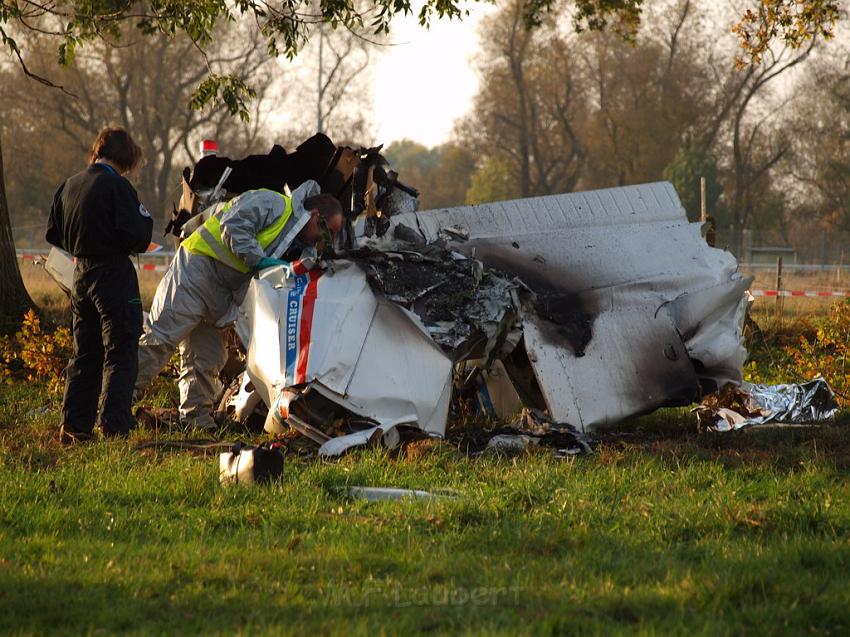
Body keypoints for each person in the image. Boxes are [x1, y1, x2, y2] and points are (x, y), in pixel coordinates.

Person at [134, 180, 343, 428]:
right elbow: (232, 226)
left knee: (205, 358)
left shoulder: (301, 250)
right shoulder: (272, 203)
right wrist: (260, 261)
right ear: (315, 216)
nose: (324, 239)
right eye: (326, 231)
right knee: (159, 341)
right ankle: (114, 404)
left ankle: (196, 420)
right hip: (198, 271)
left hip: (225, 297)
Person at [46, 127, 152, 443]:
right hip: (113, 274)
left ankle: (74, 425)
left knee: (85, 352)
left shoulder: (69, 186)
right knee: (121, 348)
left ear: (97, 152)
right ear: (127, 159)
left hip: (80, 274)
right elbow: (140, 236)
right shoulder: (118, 187)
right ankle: (114, 423)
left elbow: (54, 233)